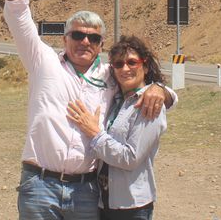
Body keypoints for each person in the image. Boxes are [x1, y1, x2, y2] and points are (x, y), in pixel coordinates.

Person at [5, 0, 175, 220]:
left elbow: (138, 80)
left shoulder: (110, 74)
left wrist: (162, 90)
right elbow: (18, 11)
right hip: (39, 186)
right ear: (65, 37)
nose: (85, 41)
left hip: (87, 192)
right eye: (78, 34)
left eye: (94, 37)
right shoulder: (42, 60)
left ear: (101, 44)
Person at [67, 36, 167, 220]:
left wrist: (95, 134)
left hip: (131, 206)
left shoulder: (148, 104)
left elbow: (130, 157)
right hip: (105, 202)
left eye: (132, 62)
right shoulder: (118, 101)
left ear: (145, 66)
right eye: (118, 64)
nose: (125, 68)